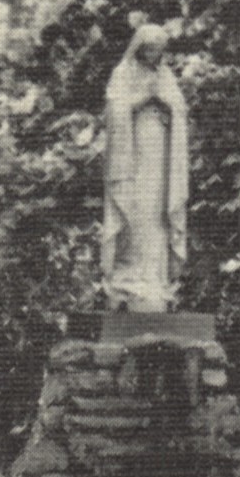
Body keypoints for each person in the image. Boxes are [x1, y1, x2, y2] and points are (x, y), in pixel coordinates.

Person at [100, 23, 190, 311]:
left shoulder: (165, 75)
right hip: (133, 152)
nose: (154, 56)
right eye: (150, 50)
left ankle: (156, 280)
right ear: (139, 47)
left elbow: (179, 109)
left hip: (160, 152)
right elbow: (114, 111)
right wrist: (142, 101)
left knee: (157, 212)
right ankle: (128, 279)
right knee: (134, 210)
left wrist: (168, 107)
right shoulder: (123, 72)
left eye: (158, 51)